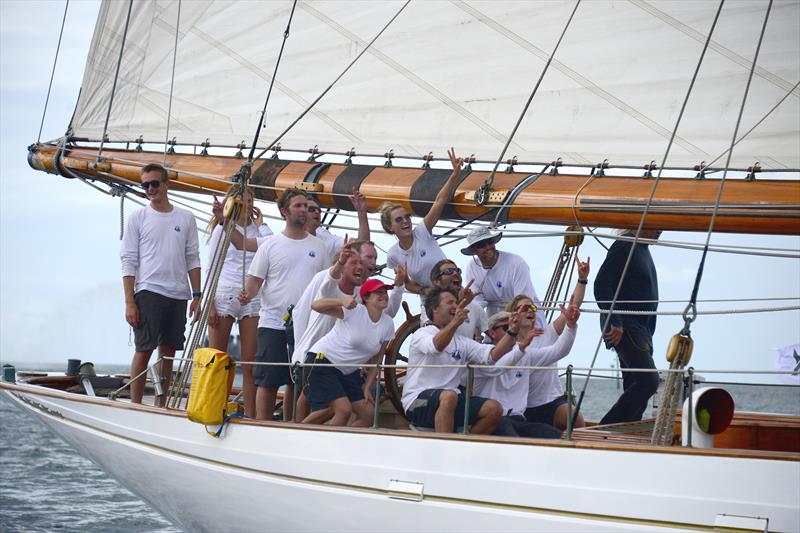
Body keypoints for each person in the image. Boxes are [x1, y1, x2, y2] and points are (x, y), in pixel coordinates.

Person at [290, 241, 405, 421]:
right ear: (343, 266)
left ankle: (307, 434)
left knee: (336, 409)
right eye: (364, 259)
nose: (369, 263)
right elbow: (304, 310)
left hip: (342, 361)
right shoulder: (326, 280)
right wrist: (300, 347)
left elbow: (383, 314)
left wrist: (398, 287)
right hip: (314, 352)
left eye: (372, 258)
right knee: (322, 405)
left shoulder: (359, 296)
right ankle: (297, 433)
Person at [238, 188, 327, 421]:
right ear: (284, 212)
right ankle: (263, 426)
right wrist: (246, 295)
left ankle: (291, 427)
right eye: (298, 206)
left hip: (306, 326)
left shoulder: (319, 247)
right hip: (272, 323)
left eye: (306, 207)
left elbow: (325, 284)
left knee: (296, 383)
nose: (304, 211)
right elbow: (255, 281)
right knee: (267, 381)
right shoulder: (270, 245)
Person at [120, 163, 201, 405]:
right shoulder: (138, 217)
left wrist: (197, 295)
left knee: (167, 353)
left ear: (166, 185)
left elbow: (193, 257)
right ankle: (135, 404)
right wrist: (129, 302)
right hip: (148, 291)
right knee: (144, 349)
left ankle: (161, 402)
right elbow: (128, 260)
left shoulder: (186, 217)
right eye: (145, 185)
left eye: (155, 183)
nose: (150, 188)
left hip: (178, 293)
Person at [401, 287, 522, 434]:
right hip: (416, 402)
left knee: (494, 409)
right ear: (435, 309)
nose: (455, 306)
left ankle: (465, 446)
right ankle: (445, 448)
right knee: (449, 396)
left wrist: (512, 332)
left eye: (456, 303)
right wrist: (455, 323)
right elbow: (436, 346)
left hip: (450, 400)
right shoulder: (422, 333)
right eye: (450, 302)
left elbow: (492, 356)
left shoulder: (462, 342)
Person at [205, 184, 272, 417]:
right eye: (243, 200)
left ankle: (251, 414)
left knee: (250, 362)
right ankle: (214, 408)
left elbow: (272, 246)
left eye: (251, 200)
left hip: (252, 297)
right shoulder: (222, 230)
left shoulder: (260, 231)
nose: (249, 204)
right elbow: (212, 268)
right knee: (218, 358)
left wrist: (262, 224)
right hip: (224, 294)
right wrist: (209, 305)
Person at [474, 305, 579, 438]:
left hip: (519, 419)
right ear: (492, 333)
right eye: (507, 328)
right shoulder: (482, 354)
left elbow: (558, 351)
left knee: (560, 439)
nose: (512, 330)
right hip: (494, 421)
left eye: (514, 327)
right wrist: (521, 348)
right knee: (516, 441)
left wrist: (570, 325)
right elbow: (498, 368)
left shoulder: (525, 353)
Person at [510, 256, 590, 430]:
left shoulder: (547, 333)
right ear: (513, 315)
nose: (530, 311)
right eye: (524, 308)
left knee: (574, 419)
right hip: (522, 406)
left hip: (552, 402)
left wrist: (582, 279)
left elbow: (573, 306)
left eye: (532, 307)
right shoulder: (507, 344)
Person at [302, 278, 396, 426]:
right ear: (366, 298)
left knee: (368, 414)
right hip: (321, 362)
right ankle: (301, 437)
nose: (384, 295)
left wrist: (367, 387)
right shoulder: (354, 311)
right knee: (343, 410)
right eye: (379, 292)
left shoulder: (388, 323)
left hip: (347, 372)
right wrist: (341, 301)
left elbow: (377, 360)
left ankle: (344, 445)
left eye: (385, 292)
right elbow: (315, 306)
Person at [594, 229, 661, 425]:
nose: (660, 230)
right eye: (656, 224)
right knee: (648, 381)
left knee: (634, 382)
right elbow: (601, 284)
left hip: (643, 329)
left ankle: (627, 428)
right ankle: (606, 428)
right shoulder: (625, 245)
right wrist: (616, 320)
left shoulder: (642, 248)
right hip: (625, 324)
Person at [382, 147, 463, 294]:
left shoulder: (422, 232)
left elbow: (439, 201)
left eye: (407, 217)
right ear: (390, 227)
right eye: (399, 220)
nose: (405, 221)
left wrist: (455, 175)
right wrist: (426, 291)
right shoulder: (393, 255)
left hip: (454, 292)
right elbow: (407, 284)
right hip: (429, 301)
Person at [462, 226, 544, 327]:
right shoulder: (472, 267)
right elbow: (477, 303)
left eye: (490, 241)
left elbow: (523, 301)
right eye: (481, 245)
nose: (488, 247)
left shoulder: (516, 263)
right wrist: (477, 326)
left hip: (526, 319)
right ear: (474, 250)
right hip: (495, 324)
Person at [426, 259, 487, 341]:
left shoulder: (473, 306)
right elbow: (434, 333)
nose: (455, 273)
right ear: (437, 281)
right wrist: (459, 303)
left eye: (458, 271)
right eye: (448, 271)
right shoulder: (430, 307)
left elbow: (493, 332)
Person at [305, 191, 370, 266]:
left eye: (319, 210)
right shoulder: (289, 240)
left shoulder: (326, 238)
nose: (317, 212)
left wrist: (361, 212)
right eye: (311, 209)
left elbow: (362, 246)